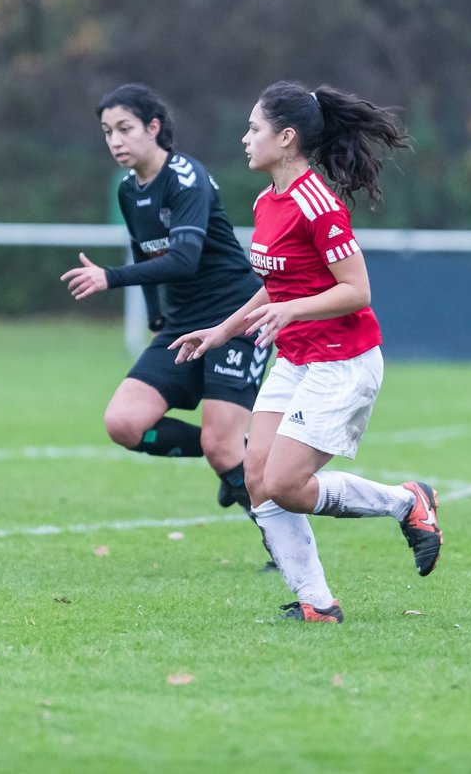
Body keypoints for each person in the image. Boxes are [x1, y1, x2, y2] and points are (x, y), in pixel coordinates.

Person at [169, 81, 443, 623]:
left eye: (255, 128)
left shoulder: (317, 203)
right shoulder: (267, 201)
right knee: (256, 477)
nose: (245, 138)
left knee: (286, 485)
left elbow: (356, 290)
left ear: (287, 138)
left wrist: (292, 312)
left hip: (344, 361)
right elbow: (279, 281)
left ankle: (406, 501)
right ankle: (317, 605)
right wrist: (224, 330)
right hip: (297, 359)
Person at [62, 83, 272, 563]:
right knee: (124, 423)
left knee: (223, 447)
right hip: (180, 325)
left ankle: (281, 542)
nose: (115, 140)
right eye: (107, 132)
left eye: (125, 129)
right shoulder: (127, 190)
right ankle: (233, 464)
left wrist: (108, 278)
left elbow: (182, 258)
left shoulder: (186, 178)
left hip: (237, 318)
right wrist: (159, 315)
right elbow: (146, 250)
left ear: (153, 128)